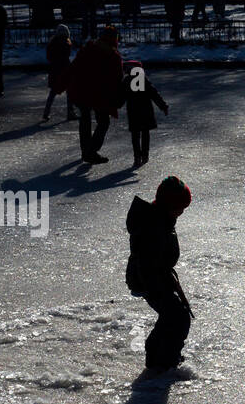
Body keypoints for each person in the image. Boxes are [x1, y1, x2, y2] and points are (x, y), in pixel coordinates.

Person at [125, 176, 194, 377]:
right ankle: (165, 362)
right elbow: (147, 260)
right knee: (178, 318)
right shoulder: (154, 225)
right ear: (167, 205)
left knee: (172, 316)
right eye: (179, 208)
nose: (181, 212)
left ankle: (157, 357)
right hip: (150, 279)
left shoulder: (161, 218)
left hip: (155, 276)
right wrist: (156, 285)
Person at [67, 25, 124, 163]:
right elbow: (117, 80)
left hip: (82, 91)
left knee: (85, 120)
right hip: (100, 94)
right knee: (103, 122)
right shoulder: (113, 56)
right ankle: (90, 151)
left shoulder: (88, 49)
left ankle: (86, 150)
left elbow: (73, 67)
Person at [120, 59, 169, 167]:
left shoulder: (127, 81)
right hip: (145, 110)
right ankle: (144, 155)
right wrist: (163, 106)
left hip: (133, 111)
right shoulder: (142, 80)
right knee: (145, 133)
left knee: (135, 135)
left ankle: (137, 157)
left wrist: (115, 107)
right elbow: (154, 94)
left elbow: (122, 97)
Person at [43, 24, 77, 121]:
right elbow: (66, 58)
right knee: (69, 92)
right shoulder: (66, 43)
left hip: (54, 71)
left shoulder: (52, 43)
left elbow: (49, 57)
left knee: (53, 92)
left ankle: (46, 112)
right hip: (65, 71)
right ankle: (70, 112)